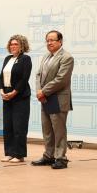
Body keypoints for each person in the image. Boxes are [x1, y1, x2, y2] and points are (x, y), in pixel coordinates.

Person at [32, 30, 74, 169]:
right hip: (45, 98)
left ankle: (61, 158)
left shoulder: (66, 57)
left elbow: (61, 79)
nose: (49, 43)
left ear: (60, 41)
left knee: (59, 130)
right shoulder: (46, 56)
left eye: (52, 40)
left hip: (57, 98)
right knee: (47, 129)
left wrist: (43, 91)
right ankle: (49, 156)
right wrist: (39, 91)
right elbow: (38, 75)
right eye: (47, 40)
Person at [0, 35, 32, 163]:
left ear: (22, 46)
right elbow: (1, 76)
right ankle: (9, 153)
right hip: (6, 95)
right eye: (11, 44)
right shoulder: (7, 58)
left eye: (16, 44)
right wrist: (1, 90)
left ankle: (19, 154)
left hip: (20, 96)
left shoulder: (25, 59)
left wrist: (14, 92)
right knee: (8, 126)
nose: (13, 46)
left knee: (19, 126)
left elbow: (24, 79)